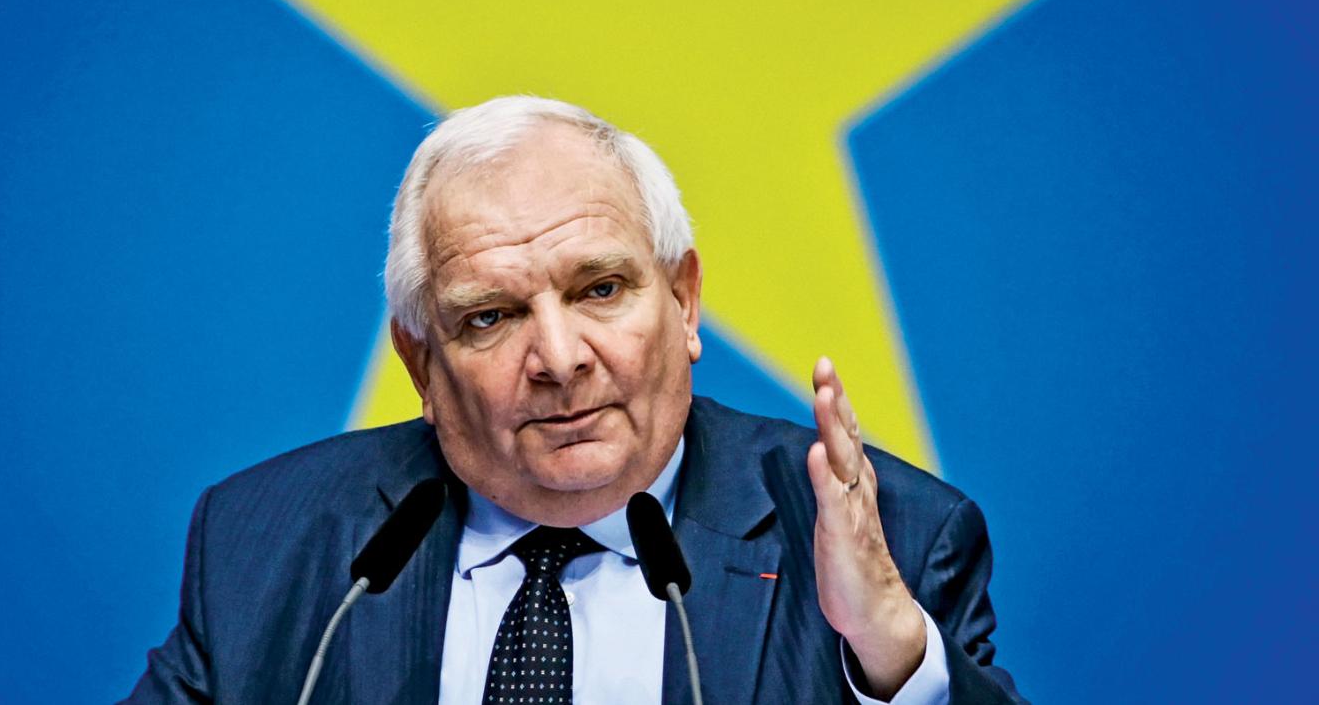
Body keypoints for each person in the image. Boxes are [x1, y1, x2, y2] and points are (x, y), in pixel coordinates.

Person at [125, 95, 1024, 704]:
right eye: (490, 316)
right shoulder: (268, 545)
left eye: (600, 289)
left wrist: (895, 657)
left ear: (683, 302)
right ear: (421, 364)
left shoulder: (893, 540)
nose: (559, 360)